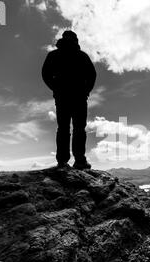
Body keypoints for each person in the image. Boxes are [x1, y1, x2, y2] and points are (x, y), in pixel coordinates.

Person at [42, 30, 96, 170]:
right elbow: (92, 75)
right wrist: (85, 91)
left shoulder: (54, 55)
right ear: (76, 40)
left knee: (63, 128)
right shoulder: (82, 56)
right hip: (78, 97)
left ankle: (62, 161)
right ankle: (79, 161)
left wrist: (56, 88)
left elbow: (45, 74)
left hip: (62, 97)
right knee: (79, 129)